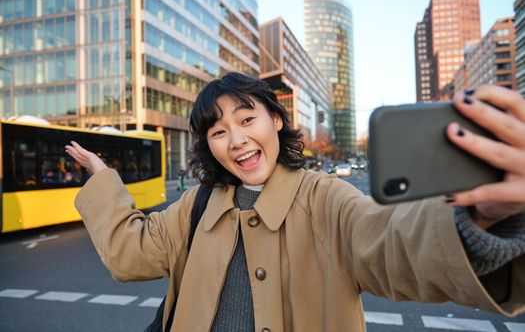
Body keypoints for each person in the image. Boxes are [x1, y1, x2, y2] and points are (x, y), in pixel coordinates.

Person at [65, 73, 525, 331]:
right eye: (219, 131)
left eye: (248, 119)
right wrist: (106, 179)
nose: (238, 140)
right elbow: (130, 254)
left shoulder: (325, 198)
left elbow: (394, 246)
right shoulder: (197, 203)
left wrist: (478, 217)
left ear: (278, 121)